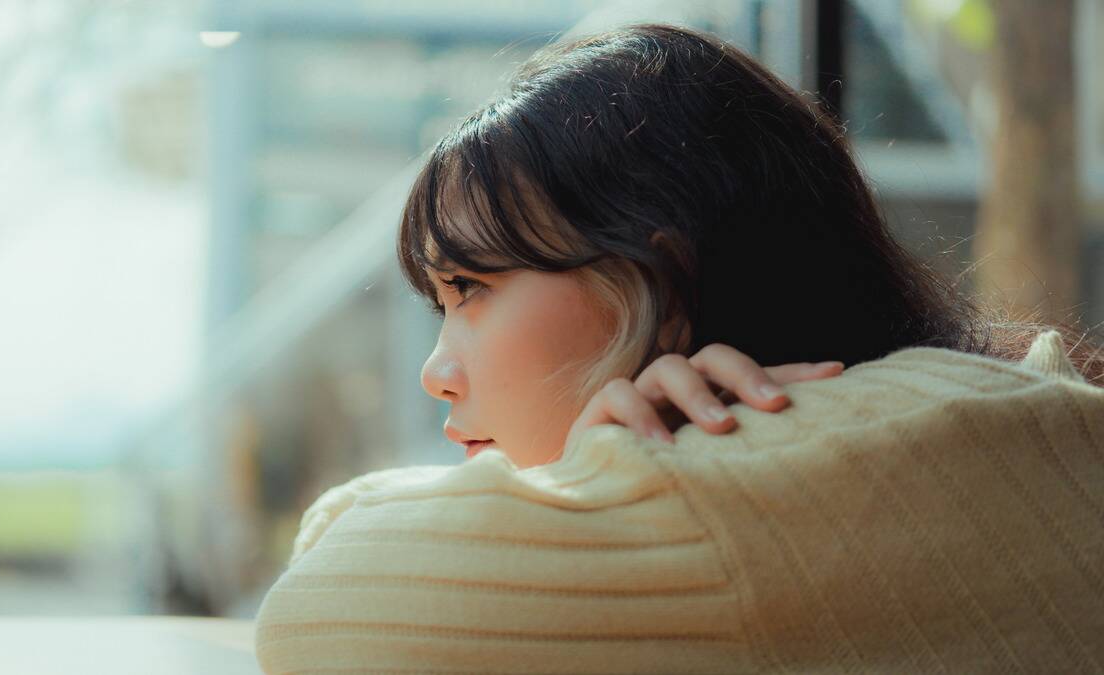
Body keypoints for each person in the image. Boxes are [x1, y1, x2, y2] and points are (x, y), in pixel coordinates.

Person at [254, 24, 1104, 673]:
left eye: (472, 288)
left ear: (661, 284)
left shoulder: (724, 486)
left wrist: (605, 481)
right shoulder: (942, 413)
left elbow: (313, 619)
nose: (436, 373)